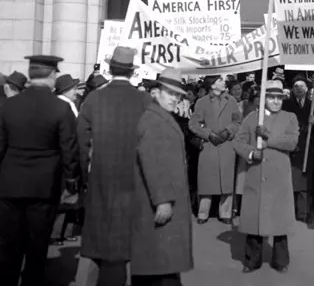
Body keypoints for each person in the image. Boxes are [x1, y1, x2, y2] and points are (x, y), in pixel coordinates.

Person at [75, 46, 152, 286]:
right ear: (131, 72)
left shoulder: (94, 98)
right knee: (130, 234)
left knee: (99, 231)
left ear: (110, 69)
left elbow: (81, 140)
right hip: (135, 175)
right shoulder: (144, 99)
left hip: (100, 174)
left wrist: (82, 173)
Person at [0, 55, 79, 286]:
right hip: (44, 187)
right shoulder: (61, 108)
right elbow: (69, 150)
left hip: (9, 184)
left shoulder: (9, 105)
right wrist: (72, 182)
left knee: (7, 247)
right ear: (52, 76)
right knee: (36, 248)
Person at [131, 69, 193, 286]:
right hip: (162, 202)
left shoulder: (159, 116)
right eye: (170, 93)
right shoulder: (154, 120)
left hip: (164, 199)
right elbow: (152, 162)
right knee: (161, 264)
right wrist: (163, 200)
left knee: (159, 264)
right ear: (155, 92)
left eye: (178, 95)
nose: (175, 98)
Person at [233, 79, 299, 273]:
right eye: (272, 97)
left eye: (279, 98)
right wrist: (252, 153)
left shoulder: (290, 117)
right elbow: (238, 142)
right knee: (255, 220)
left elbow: (291, 142)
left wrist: (268, 137)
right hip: (257, 175)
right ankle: (252, 260)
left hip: (279, 177)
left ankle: (281, 261)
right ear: (263, 99)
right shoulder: (252, 118)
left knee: (279, 221)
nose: (276, 101)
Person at [189, 75, 242, 224]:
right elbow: (193, 124)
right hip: (209, 145)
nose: (223, 82)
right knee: (206, 181)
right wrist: (208, 134)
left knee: (226, 181)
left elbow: (238, 121)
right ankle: (203, 213)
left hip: (226, 145)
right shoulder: (201, 102)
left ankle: (225, 213)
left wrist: (228, 131)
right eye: (220, 80)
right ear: (212, 85)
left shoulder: (231, 101)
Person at [282, 75, 314, 222]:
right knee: (290, 183)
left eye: (302, 86)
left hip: (307, 149)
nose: (299, 88)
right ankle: (289, 212)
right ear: (292, 89)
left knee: (305, 184)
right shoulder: (286, 105)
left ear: (307, 89)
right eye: (296, 86)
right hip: (291, 148)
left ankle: (303, 213)